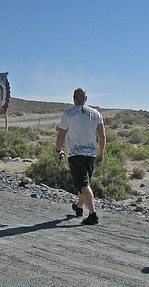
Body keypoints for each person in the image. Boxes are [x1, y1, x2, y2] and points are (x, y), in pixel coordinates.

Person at [56, 88, 106, 225]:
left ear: (74, 99)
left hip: (75, 154)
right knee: (84, 183)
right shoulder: (96, 114)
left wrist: (58, 150)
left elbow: (61, 134)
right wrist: (100, 153)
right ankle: (78, 208)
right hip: (90, 155)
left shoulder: (68, 114)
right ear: (86, 98)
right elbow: (102, 135)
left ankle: (93, 214)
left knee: (83, 184)